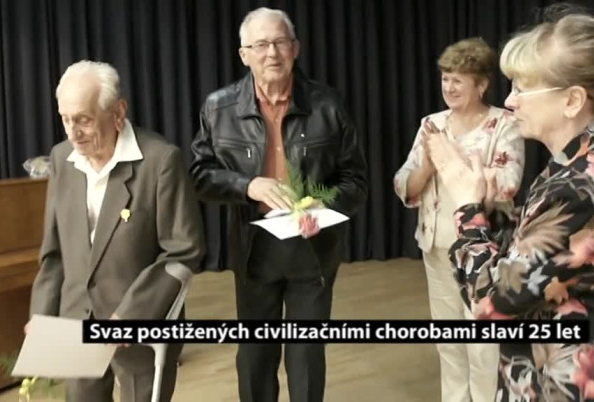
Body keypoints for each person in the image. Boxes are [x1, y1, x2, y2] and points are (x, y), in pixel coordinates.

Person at [426, 8, 594, 401]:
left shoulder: (579, 186)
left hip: (572, 384)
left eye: (522, 88)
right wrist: (488, 210)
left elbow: (490, 303)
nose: (510, 100)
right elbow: (541, 257)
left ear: (572, 100)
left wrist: (467, 210)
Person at [189, 7, 367, 402]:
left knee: (306, 359)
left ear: (295, 48)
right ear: (244, 55)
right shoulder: (218, 108)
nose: (272, 53)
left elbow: (355, 181)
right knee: (255, 357)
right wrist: (247, 185)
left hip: (313, 249)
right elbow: (199, 175)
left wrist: (323, 208)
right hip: (254, 250)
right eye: (261, 45)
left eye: (280, 42)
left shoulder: (327, 104)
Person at [28, 60, 206, 402]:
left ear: (118, 112)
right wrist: (42, 316)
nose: (72, 133)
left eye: (83, 119)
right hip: (77, 321)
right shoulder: (62, 158)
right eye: (65, 119)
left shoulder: (160, 161)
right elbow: (54, 252)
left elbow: (183, 250)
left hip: (138, 325)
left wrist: (130, 316)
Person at [393, 37, 525, 402]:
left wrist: (451, 158)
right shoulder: (431, 124)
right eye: (445, 79)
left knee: (483, 343)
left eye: (458, 80)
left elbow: (507, 184)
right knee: (448, 339)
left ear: (481, 85)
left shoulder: (504, 124)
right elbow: (403, 183)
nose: (448, 87)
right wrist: (427, 166)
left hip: (484, 252)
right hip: (437, 246)